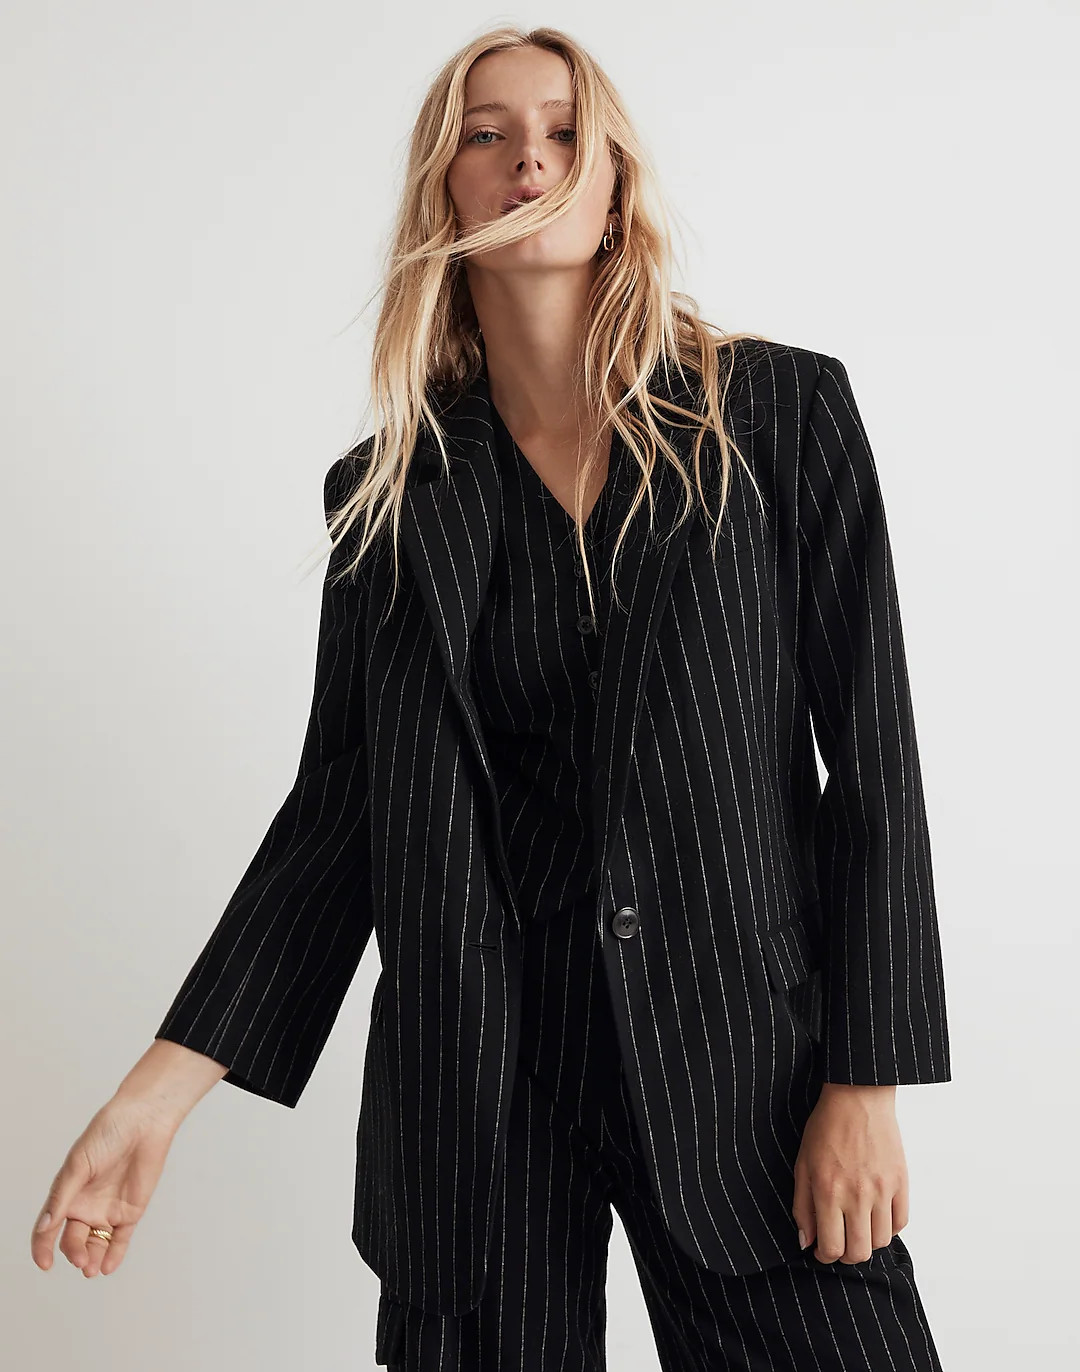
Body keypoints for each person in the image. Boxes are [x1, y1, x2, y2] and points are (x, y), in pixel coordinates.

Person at [30, 25, 952, 1371]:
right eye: (489, 133)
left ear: (614, 183)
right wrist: (156, 1096)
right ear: (443, 190)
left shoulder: (778, 416)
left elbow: (873, 765)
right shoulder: (388, 497)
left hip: (738, 1059)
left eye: (567, 132)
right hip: (479, 1085)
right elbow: (339, 818)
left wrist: (865, 1082)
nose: (531, 157)